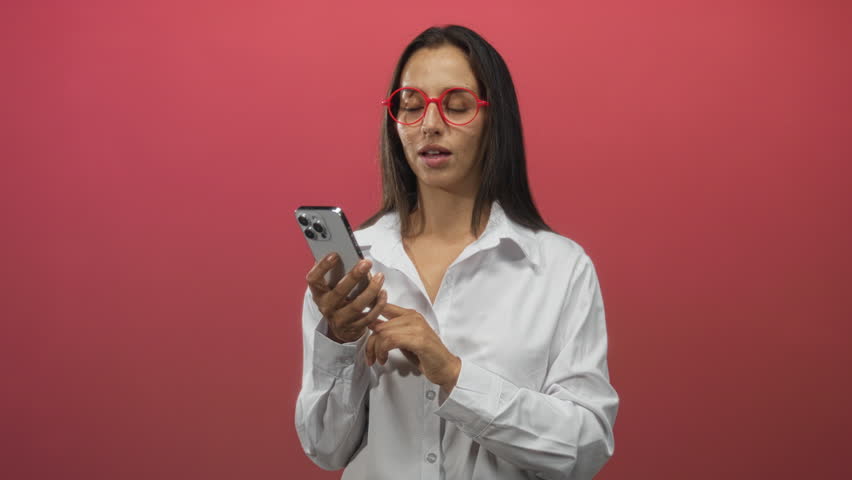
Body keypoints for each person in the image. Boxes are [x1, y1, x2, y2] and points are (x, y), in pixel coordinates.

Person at [295, 25, 618, 480]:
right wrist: (339, 344)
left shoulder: (560, 269)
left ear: (494, 119)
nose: (429, 124)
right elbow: (324, 448)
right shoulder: (357, 268)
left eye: (457, 106)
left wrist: (452, 374)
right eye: (410, 106)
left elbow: (584, 447)